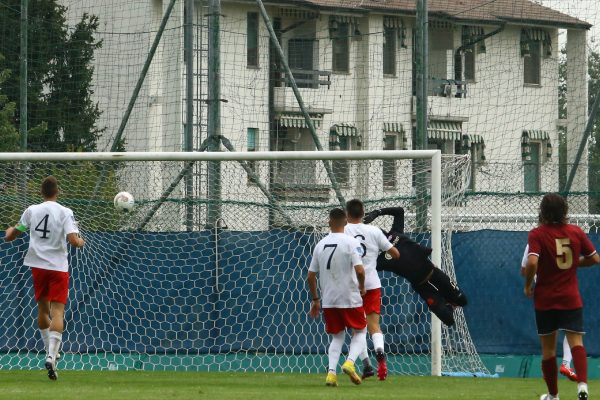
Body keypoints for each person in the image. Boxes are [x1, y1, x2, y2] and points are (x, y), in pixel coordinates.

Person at [4, 176, 85, 381]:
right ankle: (51, 354)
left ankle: (50, 352)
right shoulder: (65, 212)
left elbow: (14, 234)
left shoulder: (32, 210)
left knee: (42, 310)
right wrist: (81, 241)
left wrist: (9, 232)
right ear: (57, 192)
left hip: (37, 266)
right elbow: (73, 241)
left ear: (41, 192)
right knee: (58, 311)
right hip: (57, 267)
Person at [524, 193, 599, 400]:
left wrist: (528, 284)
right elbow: (594, 258)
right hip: (570, 297)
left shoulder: (537, 234)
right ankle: (582, 386)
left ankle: (553, 396)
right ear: (565, 211)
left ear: (543, 211)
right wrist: (574, 263)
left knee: (548, 350)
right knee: (576, 342)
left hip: (545, 299)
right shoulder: (575, 232)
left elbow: (531, 262)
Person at [363, 206, 467, 327]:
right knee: (448, 319)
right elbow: (364, 268)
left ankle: (449, 299)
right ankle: (447, 303)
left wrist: (377, 212)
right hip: (421, 286)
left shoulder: (396, 233)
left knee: (462, 300)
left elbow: (399, 211)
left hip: (434, 273)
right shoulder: (379, 259)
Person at [307, 208, 367, 387]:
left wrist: (316, 300)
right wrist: (362, 287)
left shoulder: (320, 244)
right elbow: (360, 270)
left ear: (329, 223)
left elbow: (310, 276)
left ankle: (331, 374)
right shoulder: (351, 242)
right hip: (349, 297)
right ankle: (349, 362)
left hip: (329, 300)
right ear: (346, 222)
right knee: (361, 331)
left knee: (337, 336)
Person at [344, 199, 399, 381]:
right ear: (363, 213)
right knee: (374, 325)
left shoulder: (343, 231)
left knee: (357, 329)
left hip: (351, 285)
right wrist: (381, 254)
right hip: (372, 283)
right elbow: (395, 253)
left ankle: (367, 364)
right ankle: (380, 355)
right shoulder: (374, 231)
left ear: (347, 214)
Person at [520, 244, 578, 382]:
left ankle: (548, 366)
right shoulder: (565, 238)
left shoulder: (533, 242)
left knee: (549, 334)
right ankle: (566, 364)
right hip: (564, 291)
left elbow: (524, 270)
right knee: (572, 329)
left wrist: (530, 281)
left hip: (544, 294)